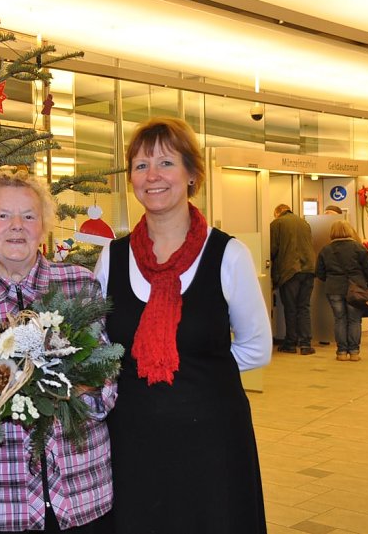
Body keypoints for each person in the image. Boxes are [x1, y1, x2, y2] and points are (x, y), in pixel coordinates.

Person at [94, 117, 271, 534]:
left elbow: (256, 347)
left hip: (212, 438)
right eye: (140, 166)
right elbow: (98, 346)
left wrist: (194, 375)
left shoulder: (228, 254)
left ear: (192, 175)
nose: (152, 176)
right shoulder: (112, 258)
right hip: (132, 438)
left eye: (166, 163)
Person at [0, 170, 115, 533]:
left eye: (29, 216)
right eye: (2, 216)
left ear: (43, 227)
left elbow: (106, 378)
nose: (17, 226)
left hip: (80, 497)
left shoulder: (79, 285)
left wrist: (70, 389)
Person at [315, 220, 368, 361]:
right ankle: (354, 352)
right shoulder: (359, 248)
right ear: (349, 231)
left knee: (339, 319)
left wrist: (331, 279)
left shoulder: (326, 250)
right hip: (356, 289)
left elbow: (319, 272)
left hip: (334, 288)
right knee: (354, 320)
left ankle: (341, 352)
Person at [271, 203, 317, 354]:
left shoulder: (277, 223)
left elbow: (272, 249)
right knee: (304, 307)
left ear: (277, 212)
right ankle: (305, 344)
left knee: (290, 308)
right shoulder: (304, 223)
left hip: (290, 271)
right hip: (308, 270)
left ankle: (290, 343)